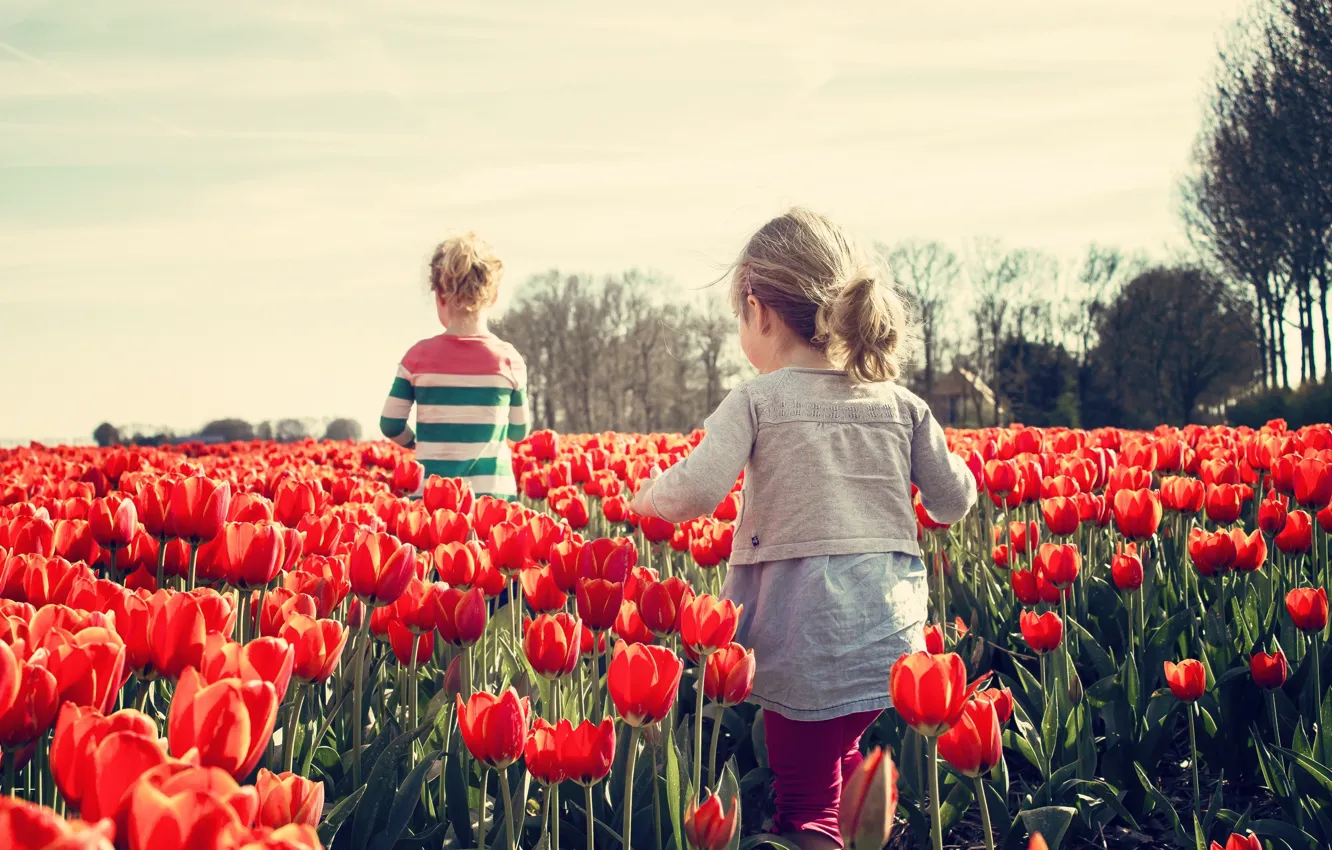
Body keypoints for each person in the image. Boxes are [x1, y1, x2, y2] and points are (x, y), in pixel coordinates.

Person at [631, 208, 976, 850]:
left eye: (741, 317)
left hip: (803, 630)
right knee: (842, 759)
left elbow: (699, 489)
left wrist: (647, 494)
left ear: (759, 312)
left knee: (805, 802)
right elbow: (953, 501)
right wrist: (965, 473)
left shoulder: (758, 401)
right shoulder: (902, 404)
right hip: (889, 634)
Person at [379, 232, 530, 500]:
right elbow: (519, 431)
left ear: (439, 295)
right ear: (493, 296)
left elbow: (390, 424)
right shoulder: (508, 360)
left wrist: (416, 443)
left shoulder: (417, 358)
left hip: (432, 498)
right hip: (493, 498)